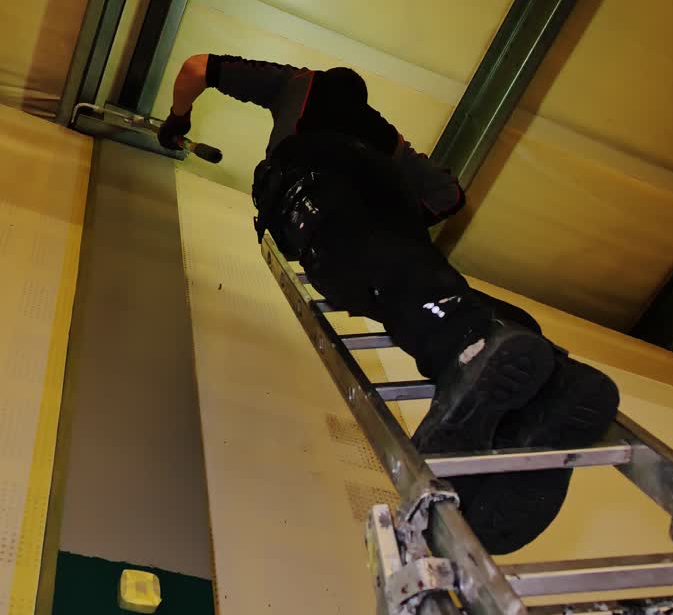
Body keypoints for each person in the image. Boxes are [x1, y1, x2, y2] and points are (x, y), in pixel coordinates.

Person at [158, 54, 619, 555]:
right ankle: (551, 383)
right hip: (387, 198)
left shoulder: (298, 84)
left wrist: (177, 121)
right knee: (423, 284)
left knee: (362, 270)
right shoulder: (387, 138)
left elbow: (197, 67)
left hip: (315, 185)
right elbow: (448, 195)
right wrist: (398, 218)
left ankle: (472, 351)